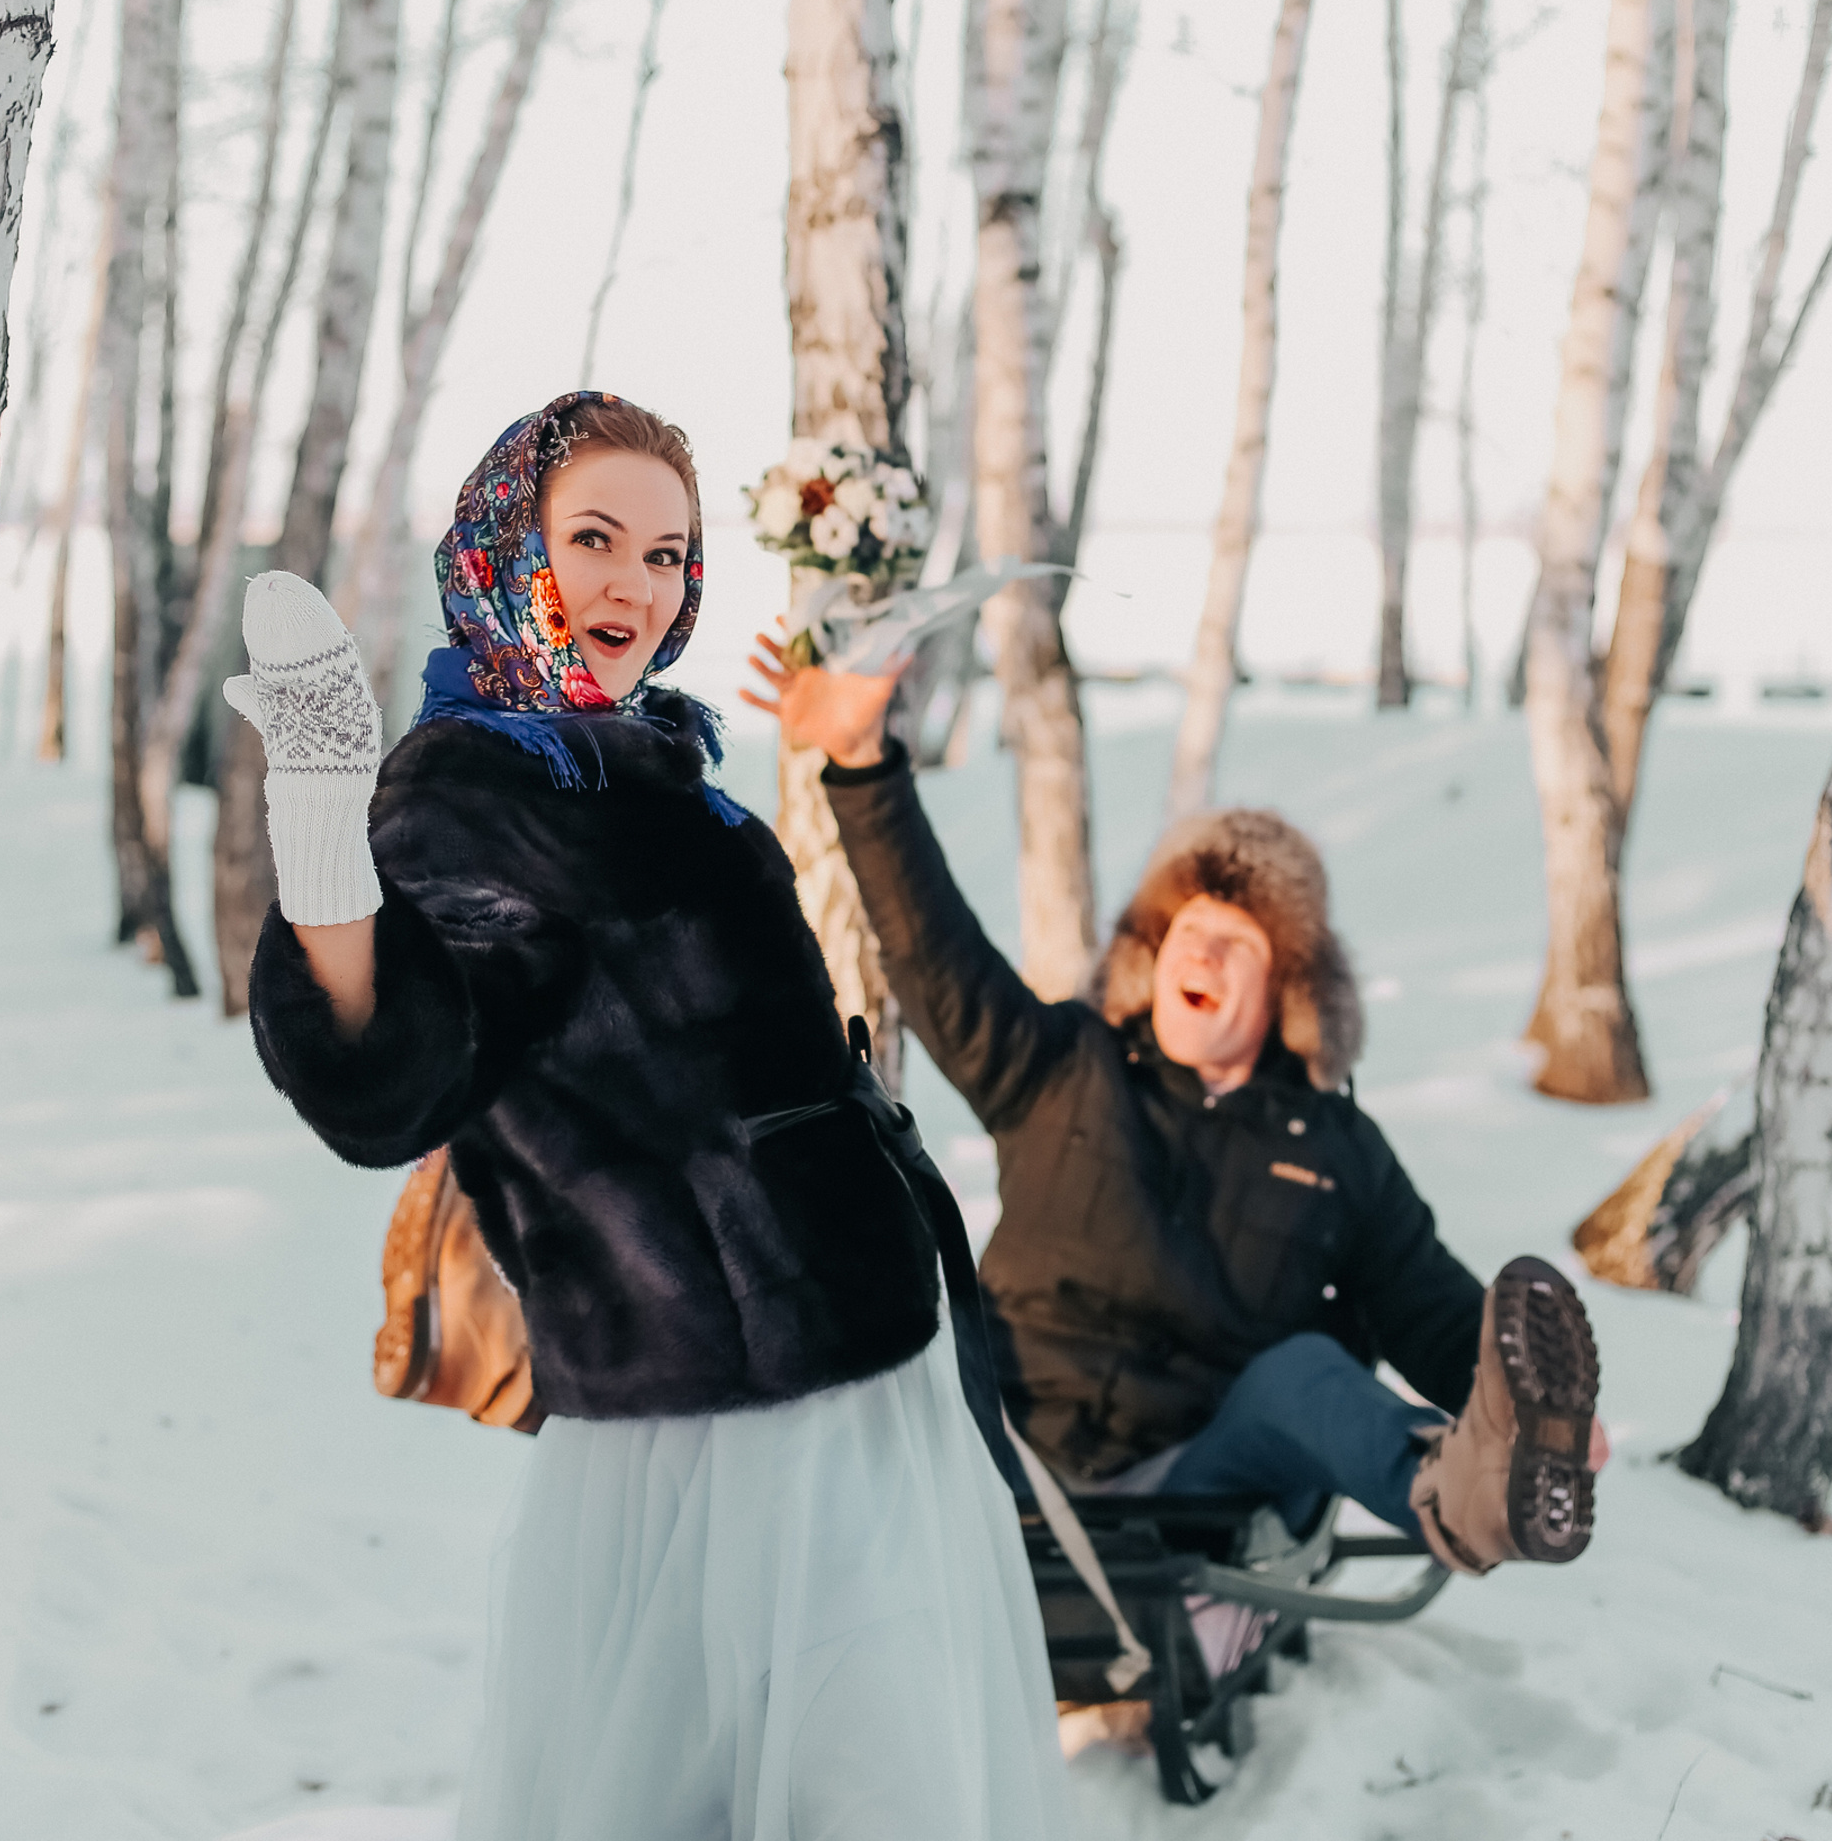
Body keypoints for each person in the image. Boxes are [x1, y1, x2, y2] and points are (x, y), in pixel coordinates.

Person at [224, 392, 1070, 1841]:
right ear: (505, 546)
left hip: (858, 1370)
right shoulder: (473, 794)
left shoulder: (661, 763)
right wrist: (322, 840)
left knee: (875, 1781)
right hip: (716, 1428)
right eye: (594, 538)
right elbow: (399, 1078)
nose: (634, 582)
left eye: (669, 554)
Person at [743, 646, 1605, 1580]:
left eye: (1236, 945)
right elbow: (936, 955)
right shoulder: (1065, 1066)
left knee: (1305, 1374)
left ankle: (1469, 1491)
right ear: (1154, 958)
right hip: (1006, 1466)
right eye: (1189, 933)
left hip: (1200, 1489)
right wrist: (864, 763)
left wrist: (1530, 1419)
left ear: (1286, 993)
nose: (1204, 957)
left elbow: (1431, 1311)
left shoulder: (1335, 1148)